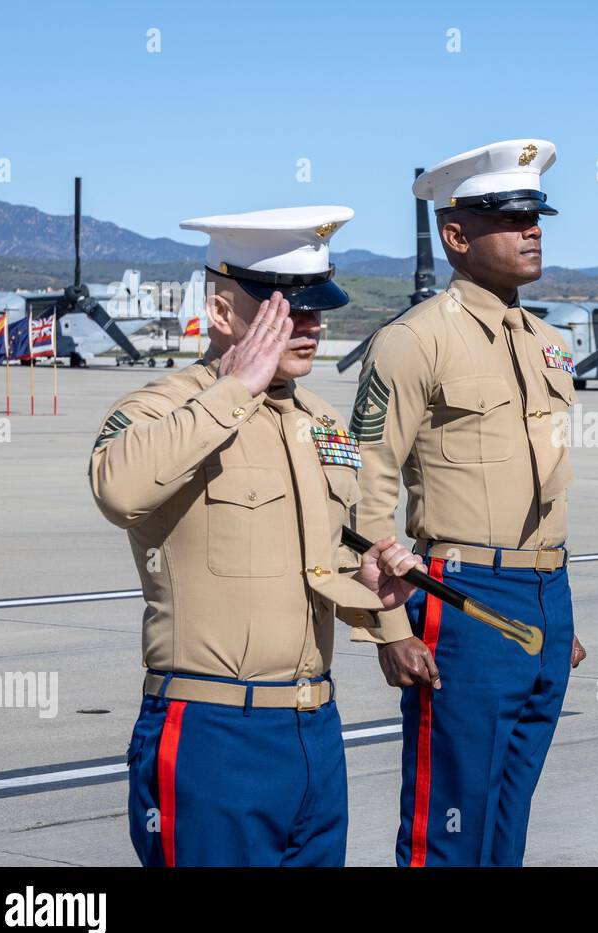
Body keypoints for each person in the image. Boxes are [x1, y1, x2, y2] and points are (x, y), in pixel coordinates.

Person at [90, 206, 423, 866]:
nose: (312, 323)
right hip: (213, 734)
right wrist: (233, 386)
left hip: (314, 732)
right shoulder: (160, 407)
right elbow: (119, 492)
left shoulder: (324, 423)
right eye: (287, 308)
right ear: (221, 311)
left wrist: (371, 594)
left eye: (317, 305)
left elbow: (328, 551)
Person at [351, 140, 585, 866]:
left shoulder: (549, 342)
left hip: (544, 594)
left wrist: (556, 610)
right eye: (509, 218)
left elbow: (543, 490)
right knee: (447, 827)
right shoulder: (413, 342)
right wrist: (388, 626)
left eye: (535, 216)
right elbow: (366, 488)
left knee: (507, 826)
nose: (531, 229)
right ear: (456, 236)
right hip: (461, 597)